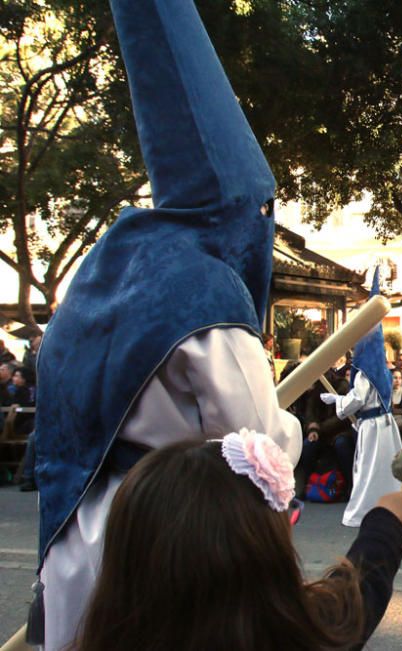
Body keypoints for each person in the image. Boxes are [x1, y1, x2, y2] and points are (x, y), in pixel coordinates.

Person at [28, 1, 302, 647]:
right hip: (167, 545)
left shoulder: (108, 266)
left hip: (78, 526)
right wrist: (287, 427)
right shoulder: (206, 288)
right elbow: (255, 445)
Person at [77, 433, 402, 650]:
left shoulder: (113, 634)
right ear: (259, 553)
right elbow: (353, 600)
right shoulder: (300, 638)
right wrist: (385, 524)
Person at [319, 273, 402, 527]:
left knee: (368, 470)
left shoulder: (366, 370)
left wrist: (337, 401)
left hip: (374, 426)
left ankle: (364, 512)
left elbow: (359, 399)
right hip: (381, 424)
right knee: (380, 470)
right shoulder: (380, 370)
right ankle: (391, 508)